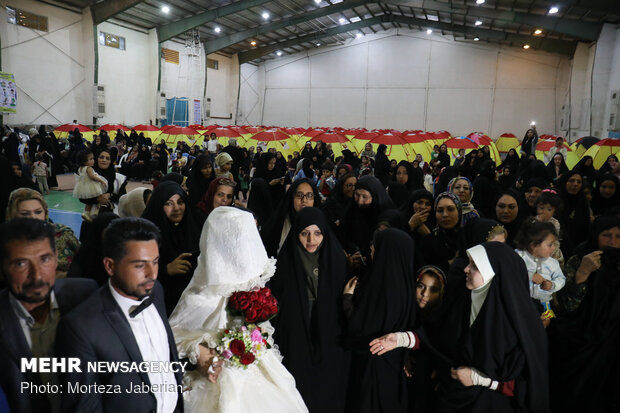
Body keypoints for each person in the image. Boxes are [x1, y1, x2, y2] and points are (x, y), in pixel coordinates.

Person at [169, 207, 308, 412]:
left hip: (255, 372)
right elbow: (173, 335)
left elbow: (264, 331)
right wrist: (199, 350)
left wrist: (253, 342)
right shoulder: (202, 293)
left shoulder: (250, 287)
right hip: (213, 378)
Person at [55, 218, 184, 412]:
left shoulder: (155, 291)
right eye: (140, 265)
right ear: (110, 266)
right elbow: (85, 406)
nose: (152, 274)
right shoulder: (79, 328)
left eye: (155, 262)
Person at [429, 242, 548, 412]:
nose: (466, 269)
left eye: (474, 266)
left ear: (493, 273)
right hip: (456, 398)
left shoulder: (525, 327)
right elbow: (440, 342)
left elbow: (531, 387)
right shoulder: (462, 302)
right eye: (468, 263)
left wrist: (481, 379)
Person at [0, 218, 96, 413]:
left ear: (55, 259)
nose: (36, 275)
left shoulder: (85, 296)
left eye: (44, 259)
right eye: (21, 263)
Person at [270, 207, 350, 412]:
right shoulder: (285, 262)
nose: (311, 240)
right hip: (295, 334)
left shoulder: (336, 260)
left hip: (331, 337)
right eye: (304, 233)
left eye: (317, 233)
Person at [547, 216, 620, 413]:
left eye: (618, 236)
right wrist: (583, 274)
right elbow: (566, 305)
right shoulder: (581, 256)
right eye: (606, 236)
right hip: (584, 334)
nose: (613, 242)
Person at [344, 228, 416, 413]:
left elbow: (359, 329)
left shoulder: (382, 287)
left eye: (376, 246)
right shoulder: (405, 285)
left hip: (372, 372)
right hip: (393, 370)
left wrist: (347, 301)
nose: (371, 250)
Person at [141, 181, 201, 314]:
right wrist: (166, 270)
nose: (177, 208)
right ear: (159, 206)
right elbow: (135, 275)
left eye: (180, 202)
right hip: (157, 306)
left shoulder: (193, 229)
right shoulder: (145, 237)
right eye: (169, 203)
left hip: (191, 307)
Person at [6, 188, 80, 278]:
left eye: (38, 212)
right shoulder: (6, 242)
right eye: (25, 214)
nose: (34, 217)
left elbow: (86, 264)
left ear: (45, 213)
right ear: (13, 215)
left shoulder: (63, 233)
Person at [514, 219, 565, 324]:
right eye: (550, 245)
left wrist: (552, 285)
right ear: (534, 245)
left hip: (545, 303)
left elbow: (561, 278)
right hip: (520, 301)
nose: (554, 248)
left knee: (544, 323)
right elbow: (510, 272)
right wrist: (530, 276)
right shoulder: (519, 256)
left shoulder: (553, 263)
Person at [261, 178, 321, 257]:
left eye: (310, 195)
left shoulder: (322, 224)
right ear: (292, 197)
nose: (304, 200)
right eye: (299, 195)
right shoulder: (280, 222)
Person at [420, 192, 462, 272]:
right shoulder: (428, 241)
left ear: (459, 212)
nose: (445, 214)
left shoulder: (467, 238)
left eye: (450, 209)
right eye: (440, 210)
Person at [557, 171, 591, 256]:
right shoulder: (556, 202)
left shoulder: (583, 202)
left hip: (579, 249)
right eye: (571, 181)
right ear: (564, 182)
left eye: (579, 182)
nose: (575, 184)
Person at [73, 149, 108, 218]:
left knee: (88, 203)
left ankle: (86, 213)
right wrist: (100, 180)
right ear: (84, 161)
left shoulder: (80, 168)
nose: (93, 160)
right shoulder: (89, 168)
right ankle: (95, 212)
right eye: (91, 159)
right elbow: (92, 177)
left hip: (84, 187)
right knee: (99, 198)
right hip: (91, 187)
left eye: (93, 158)